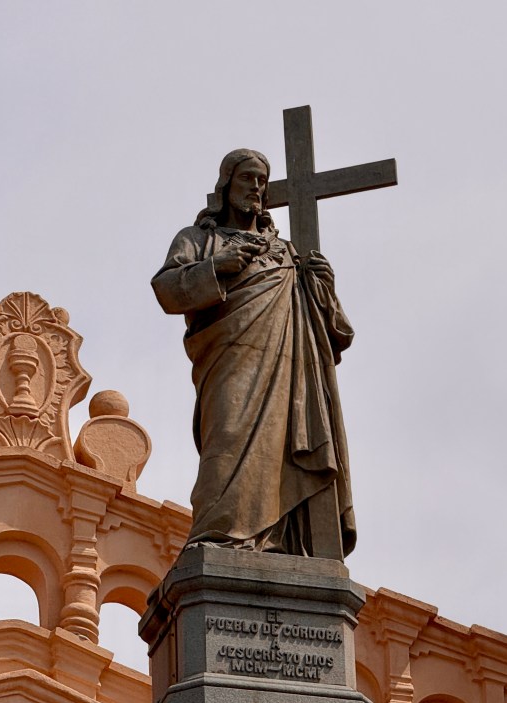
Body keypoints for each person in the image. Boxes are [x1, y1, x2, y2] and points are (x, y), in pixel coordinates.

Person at [151, 148, 356, 559]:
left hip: (290, 371)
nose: (257, 188)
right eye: (247, 178)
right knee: (227, 437)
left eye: (262, 180)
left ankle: (285, 543)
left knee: (285, 445)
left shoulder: (288, 253)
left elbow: (330, 334)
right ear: (226, 184)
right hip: (228, 360)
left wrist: (324, 290)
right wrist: (216, 266)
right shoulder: (199, 239)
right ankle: (219, 535)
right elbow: (167, 289)